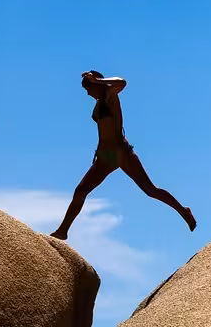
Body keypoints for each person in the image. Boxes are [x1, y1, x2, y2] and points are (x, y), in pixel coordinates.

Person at [51, 71, 196, 240]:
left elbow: (122, 81)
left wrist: (97, 80)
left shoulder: (110, 94)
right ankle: (63, 231)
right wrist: (98, 152)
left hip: (122, 153)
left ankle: (183, 211)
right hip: (106, 158)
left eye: (88, 88)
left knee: (150, 190)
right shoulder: (98, 104)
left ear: (97, 84)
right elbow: (102, 132)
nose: (87, 93)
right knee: (81, 191)